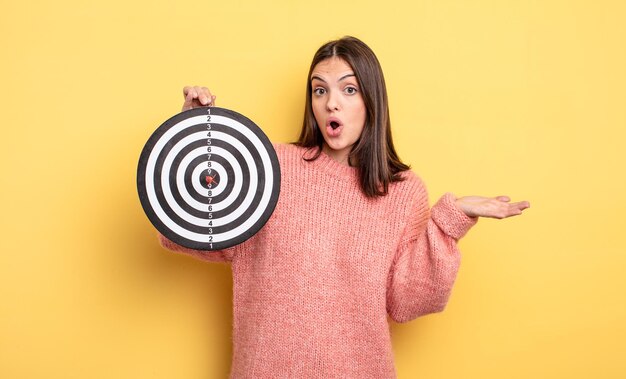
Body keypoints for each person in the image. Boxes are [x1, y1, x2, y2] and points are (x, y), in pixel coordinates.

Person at [158, 36, 530, 378]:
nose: (330, 102)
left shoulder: (403, 193)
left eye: (348, 89)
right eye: (319, 90)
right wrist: (191, 140)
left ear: (371, 99)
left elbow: (407, 302)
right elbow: (195, 232)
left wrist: (451, 222)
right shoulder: (269, 165)